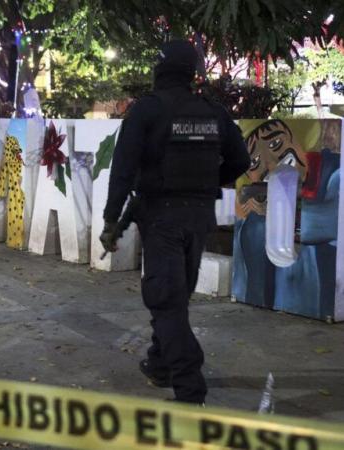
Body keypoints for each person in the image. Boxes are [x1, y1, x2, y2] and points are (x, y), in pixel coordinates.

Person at [99, 40, 250, 404]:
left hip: (162, 217)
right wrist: (208, 182)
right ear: (190, 74)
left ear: (160, 70)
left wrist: (109, 221)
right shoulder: (212, 113)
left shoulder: (147, 111)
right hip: (198, 218)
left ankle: (189, 388)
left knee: (166, 300)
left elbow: (122, 171)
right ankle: (160, 363)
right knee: (175, 296)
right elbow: (241, 160)